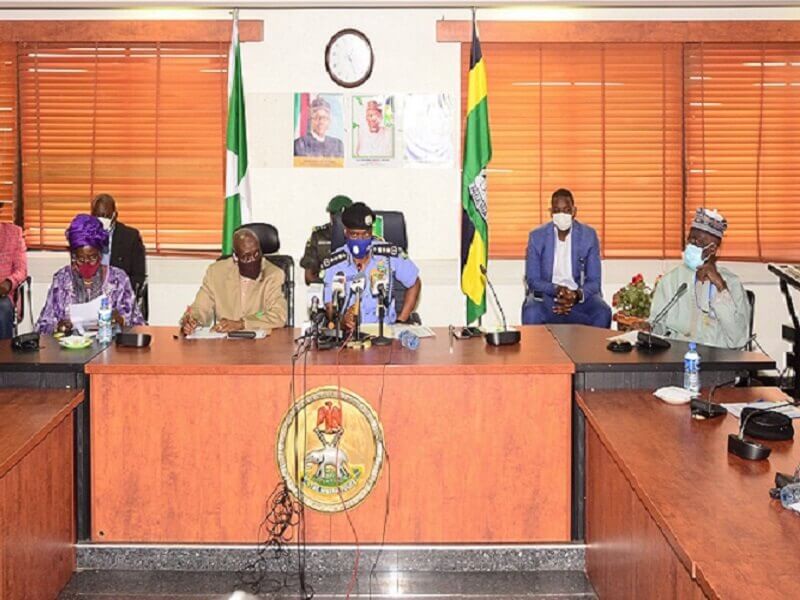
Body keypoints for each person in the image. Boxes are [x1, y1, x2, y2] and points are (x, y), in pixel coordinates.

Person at [649, 207, 750, 349]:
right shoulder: (671, 280)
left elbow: (739, 339)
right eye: (690, 240)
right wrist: (647, 328)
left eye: (699, 243)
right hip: (678, 355)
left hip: (719, 358)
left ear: (712, 249)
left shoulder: (732, 283)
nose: (692, 245)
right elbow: (657, 326)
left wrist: (721, 288)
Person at [36, 214, 143, 335]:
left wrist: (121, 320)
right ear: (73, 255)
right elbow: (41, 327)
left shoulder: (118, 279)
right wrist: (57, 327)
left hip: (108, 344)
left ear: (100, 254)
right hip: (69, 345)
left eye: (92, 258)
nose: (86, 264)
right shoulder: (61, 280)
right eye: (80, 259)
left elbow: (138, 325)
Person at [323, 202, 421, 330]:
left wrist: (401, 321)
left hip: (385, 332)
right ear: (345, 232)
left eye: (365, 234)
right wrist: (342, 321)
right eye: (354, 235)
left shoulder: (388, 255)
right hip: (350, 335)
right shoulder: (335, 263)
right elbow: (329, 307)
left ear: (371, 232)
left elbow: (414, 282)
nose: (360, 240)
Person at [521, 189, 611, 328]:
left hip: (579, 298)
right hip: (548, 297)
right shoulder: (537, 237)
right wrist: (557, 290)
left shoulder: (588, 236)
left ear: (574, 211)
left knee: (602, 312)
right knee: (531, 311)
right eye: (557, 210)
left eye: (566, 210)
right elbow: (533, 280)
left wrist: (576, 295)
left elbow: (594, 281)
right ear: (551, 212)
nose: (561, 214)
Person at [181, 227, 287, 335]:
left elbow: (278, 315)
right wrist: (193, 320)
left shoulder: (273, 274)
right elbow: (200, 307)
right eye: (246, 257)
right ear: (235, 257)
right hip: (225, 342)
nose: (253, 260)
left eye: (256, 253)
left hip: (261, 342)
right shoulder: (216, 272)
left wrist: (242, 324)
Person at [90, 193, 147, 292]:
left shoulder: (130, 237)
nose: (102, 220)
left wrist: (118, 292)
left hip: (120, 293)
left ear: (114, 215)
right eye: (98, 216)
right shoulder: (85, 235)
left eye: (106, 216)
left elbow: (138, 277)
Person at [300, 195, 353, 285]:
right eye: (335, 215)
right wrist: (329, 286)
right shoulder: (319, 236)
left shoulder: (361, 236)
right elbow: (309, 276)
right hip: (325, 287)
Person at [0, 223, 27, 339]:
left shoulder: (14, 233)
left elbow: (21, 270)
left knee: (3, 307)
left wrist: (8, 283)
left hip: (4, 295)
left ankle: (4, 350)